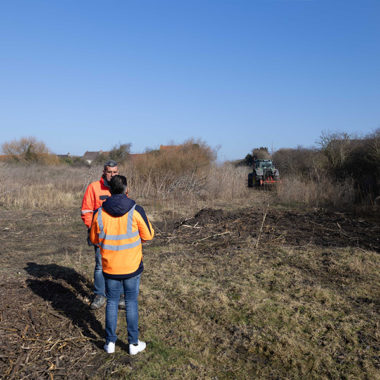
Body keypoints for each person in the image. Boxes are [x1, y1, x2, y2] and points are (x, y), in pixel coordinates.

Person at [90, 175, 154, 355]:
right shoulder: (136, 210)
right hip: (132, 267)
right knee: (131, 302)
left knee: (111, 302)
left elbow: (94, 239)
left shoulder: (99, 213)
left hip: (110, 268)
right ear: (127, 189)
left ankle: (110, 343)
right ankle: (133, 344)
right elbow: (148, 236)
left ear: (109, 190)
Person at [81, 160, 124, 309]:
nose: (112, 175)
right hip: (100, 235)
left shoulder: (120, 187)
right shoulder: (93, 187)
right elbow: (86, 211)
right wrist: (93, 229)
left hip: (118, 235)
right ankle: (100, 295)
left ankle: (118, 295)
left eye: (115, 172)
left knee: (118, 264)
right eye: (109, 172)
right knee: (100, 265)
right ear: (104, 172)